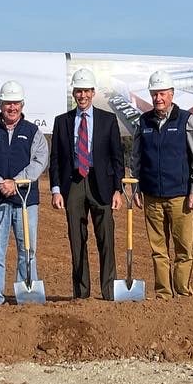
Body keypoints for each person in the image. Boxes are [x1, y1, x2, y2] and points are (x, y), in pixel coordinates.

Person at [50, 67, 124, 299]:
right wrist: (56, 190)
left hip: (101, 183)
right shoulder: (62, 121)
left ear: (93, 92)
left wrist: (118, 189)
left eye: (86, 91)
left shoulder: (108, 120)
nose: (82, 96)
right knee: (76, 238)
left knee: (106, 238)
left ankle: (109, 290)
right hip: (73, 183)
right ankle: (81, 292)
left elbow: (117, 157)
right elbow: (56, 159)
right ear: (74, 93)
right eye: (78, 91)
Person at [135, 70, 193, 298]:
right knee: (158, 250)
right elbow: (136, 158)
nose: (158, 98)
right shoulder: (143, 121)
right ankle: (163, 293)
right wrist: (136, 187)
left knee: (183, 249)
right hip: (152, 197)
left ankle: (182, 292)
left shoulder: (188, 121)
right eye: (155, 94)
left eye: (162, 94)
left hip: (180, 197)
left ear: (172, 94)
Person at [0, 80, 50, 304]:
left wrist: (16, 182)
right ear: (0, 104)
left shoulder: (33, 132)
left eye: (16, 103)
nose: (12, 108)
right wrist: (0, 183)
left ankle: (26, 297)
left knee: (27, 249)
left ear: (22, 104)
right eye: (8, 103)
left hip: (26, 201)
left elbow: (40, 161)